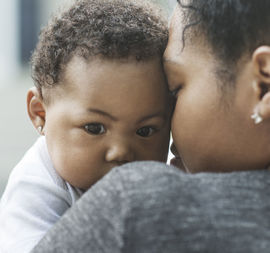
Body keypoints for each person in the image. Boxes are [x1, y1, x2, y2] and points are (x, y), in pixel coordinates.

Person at [33, 0, 270, 252]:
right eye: (94, 127)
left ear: (263, 85)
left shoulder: (138, 208)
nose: (168, 119)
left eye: (174, 89)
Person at [0, 0, 172, 252]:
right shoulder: (36, 186)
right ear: (40, 114)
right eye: (95, 128)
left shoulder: (168, 181)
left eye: (145, 131)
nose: (120, 151)